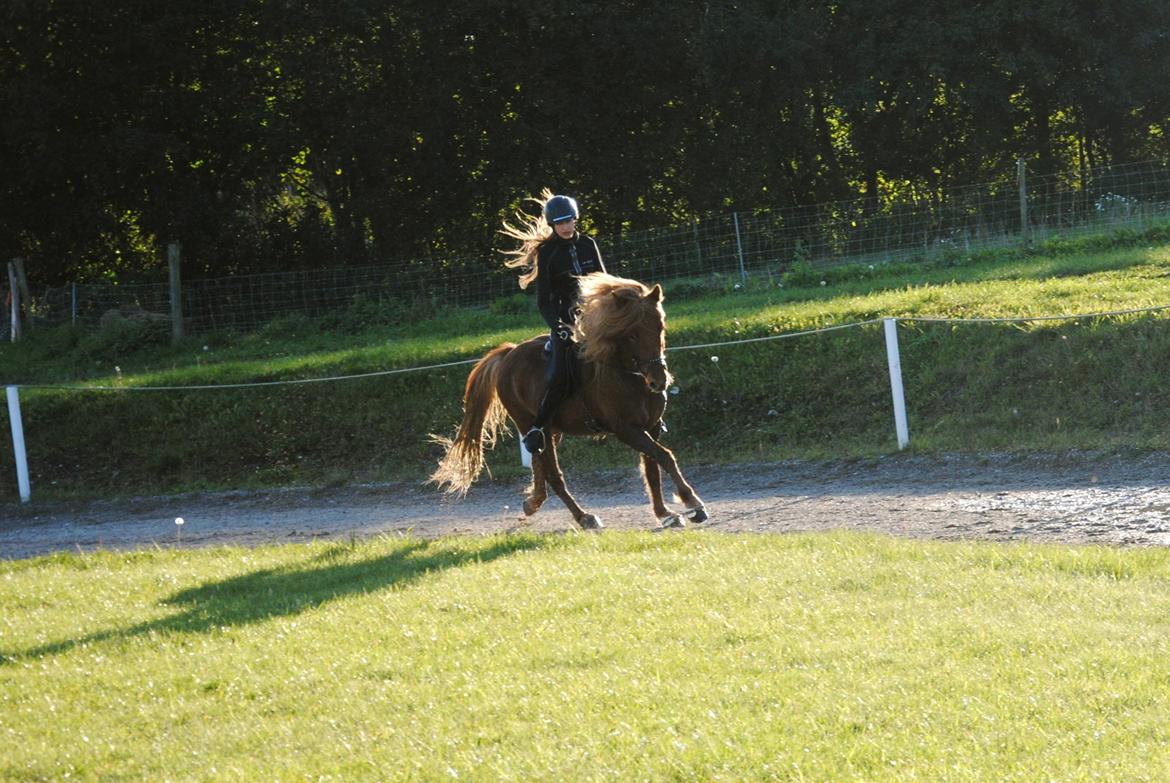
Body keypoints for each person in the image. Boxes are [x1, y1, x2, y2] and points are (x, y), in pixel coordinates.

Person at [502, 190, 607, 456]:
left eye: (569, 221)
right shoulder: (547, 252)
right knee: (560, 372)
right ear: (552, 225)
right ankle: (538, 427)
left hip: (596, 317)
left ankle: (648, 412)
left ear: (576, 219)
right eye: (560, 223)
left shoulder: (588, 244)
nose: (565, 227)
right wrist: (558, 327)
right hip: (566, 322)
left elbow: (604, 281)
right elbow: (544, 301)